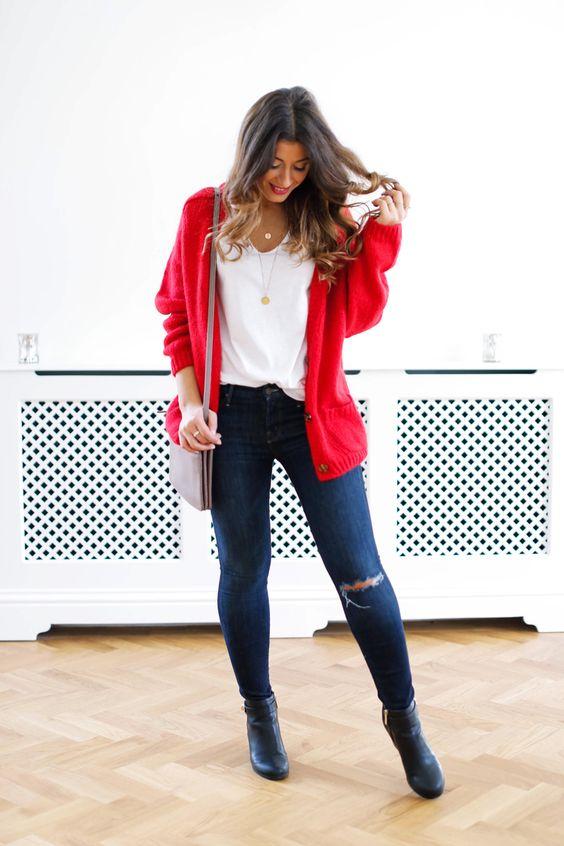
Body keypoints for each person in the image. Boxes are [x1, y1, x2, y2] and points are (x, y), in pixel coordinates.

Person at [155, 86, 444, 799]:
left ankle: (405, 722)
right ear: (250, 153)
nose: (284, 179)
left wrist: (383, 238)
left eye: (299, 167)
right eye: (274, 164)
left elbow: (358, 317)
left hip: (311, 414)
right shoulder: (203, 215)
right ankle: (260, 716)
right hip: (230, 420)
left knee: (361, 576)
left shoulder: (326, 220)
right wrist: (191, 404)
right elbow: (178, 319)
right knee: (243, 572)